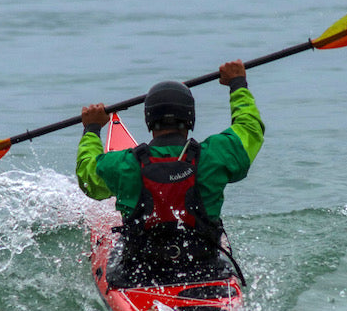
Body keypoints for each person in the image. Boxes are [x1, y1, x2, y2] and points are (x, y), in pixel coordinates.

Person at [76, 59, 264, 287]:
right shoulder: (216, 155)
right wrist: (237, 85)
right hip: (205, 268)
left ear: (148, 121)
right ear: (190, 119)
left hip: (139, 274)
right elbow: (249, 128)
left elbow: (88, 179)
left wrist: (92, 130)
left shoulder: (123, 165)